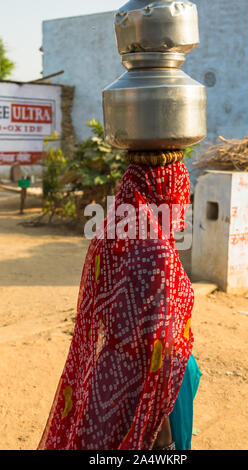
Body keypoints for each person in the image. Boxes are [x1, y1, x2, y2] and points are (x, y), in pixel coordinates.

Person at [37, 158, 200, 450]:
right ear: (163, 192)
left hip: (108, 376)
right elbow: (155, 345)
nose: (183, 203)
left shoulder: (110, 235)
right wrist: (161, 434)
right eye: (180, 193)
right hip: (147, 390)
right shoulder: (157, 253)